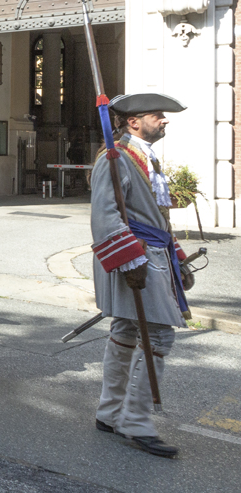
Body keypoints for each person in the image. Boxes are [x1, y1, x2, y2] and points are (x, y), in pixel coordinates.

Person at [90, 94, 192, 458]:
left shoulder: (146, 159)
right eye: (156, 115)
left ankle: (111, 411)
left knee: (126, 330)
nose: (164, 120)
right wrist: (130, 262)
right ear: (133, 122)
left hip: (154, 255)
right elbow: (104, 215)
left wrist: (179, 260)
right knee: (159, 335)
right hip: (136, 259)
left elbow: (158, 221)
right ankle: (135, 421)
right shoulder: (114, 158)